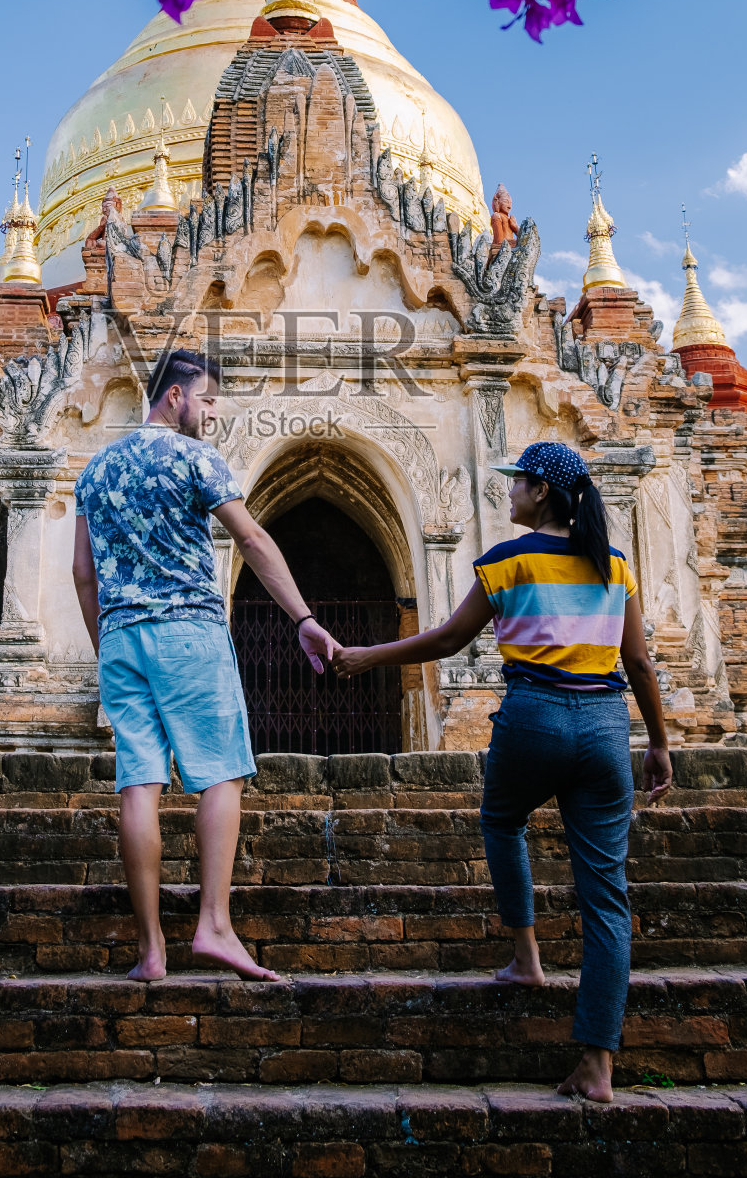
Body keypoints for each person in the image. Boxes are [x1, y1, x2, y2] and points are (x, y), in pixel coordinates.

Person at [333, 440, 672, 1103]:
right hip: (606, 728)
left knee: (502, 819)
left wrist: (369, 656)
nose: (510, 492)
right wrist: (659, 741)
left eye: (517, 482)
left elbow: (446, 640)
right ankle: (598, 1067)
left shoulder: (507, 561)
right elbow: (640, 663)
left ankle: (526, 957)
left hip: (535, 715)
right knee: (607, 900)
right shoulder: (614, 565)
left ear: (541, 490)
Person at [72, 348, 340, 983]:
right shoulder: (193, 457)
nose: (214, 411)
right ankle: (213, 925)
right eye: (209, 398)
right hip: (188, 630)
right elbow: (251, 537)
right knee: (219, 772)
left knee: (139, 784)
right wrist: (303, 617)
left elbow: (83, 575)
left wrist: (105, 642)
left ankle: (151, 951)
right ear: (174, 397)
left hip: (120, 638)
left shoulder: (95, 468)